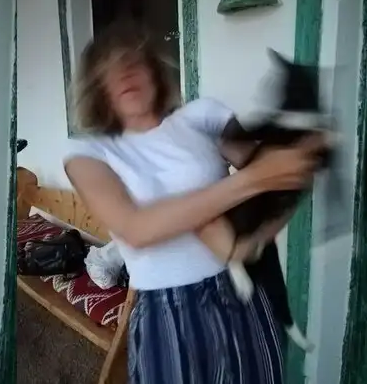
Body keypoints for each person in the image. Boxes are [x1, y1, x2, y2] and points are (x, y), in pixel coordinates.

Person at [64, 23, 325, 384]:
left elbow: (278, 177)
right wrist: (251, 181)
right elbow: (136, 229)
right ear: (97, 89)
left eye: (134, 61)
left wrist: (255, 239)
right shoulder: (88, 154)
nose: (125, 72)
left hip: (244, 293)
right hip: (166, 312)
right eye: (109, 69)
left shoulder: (202, 116)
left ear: (155, 71)